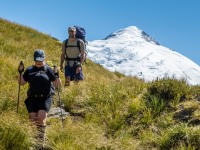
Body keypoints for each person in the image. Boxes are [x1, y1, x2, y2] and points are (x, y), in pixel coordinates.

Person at [18, 49, 61, 148]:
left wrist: (56, 75)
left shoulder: (48, 69)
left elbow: (57, 85)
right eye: (37, 60)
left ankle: (40, 145)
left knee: (41, 119)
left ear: (44, 59)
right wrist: (20, 72)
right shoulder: (29, 70)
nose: (39, 62)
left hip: (45, 98)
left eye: (41, 60)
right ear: (34, 59)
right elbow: (22, 83)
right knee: (33, 121)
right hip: (32, 98)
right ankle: (34, 142)